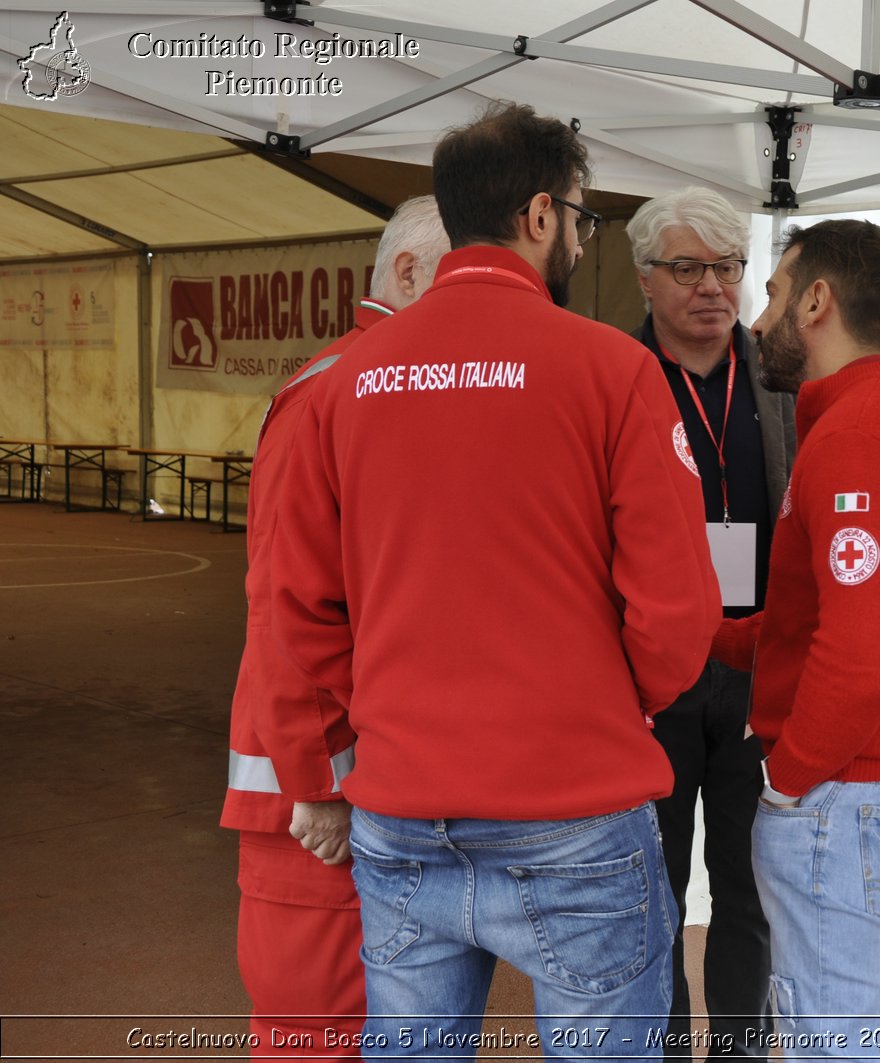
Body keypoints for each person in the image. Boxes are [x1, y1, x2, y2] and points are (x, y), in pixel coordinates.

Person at [266, 102, 722, 1056]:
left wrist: (383, 708)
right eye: (585, 219)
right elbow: (679, 605)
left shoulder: (344, 383)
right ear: (544, 214)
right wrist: (607, 702)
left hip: (402, 806)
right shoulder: (614, 370)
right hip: (576, 808)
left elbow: (295, 603)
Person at [712, 219, 880, 1056]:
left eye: (772, 294)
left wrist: (786, 785)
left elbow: (862, 657)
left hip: (853, 795)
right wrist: (708, 633)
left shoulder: (857, 440)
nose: (756, 321)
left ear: (817, 301)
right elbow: (823, 620)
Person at [221, 194, 448, 1057]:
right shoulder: (340, 388)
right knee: (314, 1026)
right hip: (310, 788)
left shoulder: (390, 380)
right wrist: (317, 778)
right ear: (407, 271)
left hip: (376, 781)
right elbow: (285, 601)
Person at [625, 188, 795, 1059]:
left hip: (758, 665)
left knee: (750, 886)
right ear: (646, 279)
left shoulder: (778, 371)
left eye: (727, 267)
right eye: (687, 268)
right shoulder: (613, 374)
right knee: (650, 886)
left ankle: (740, 1048)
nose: (712, 288)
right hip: (651, 673)